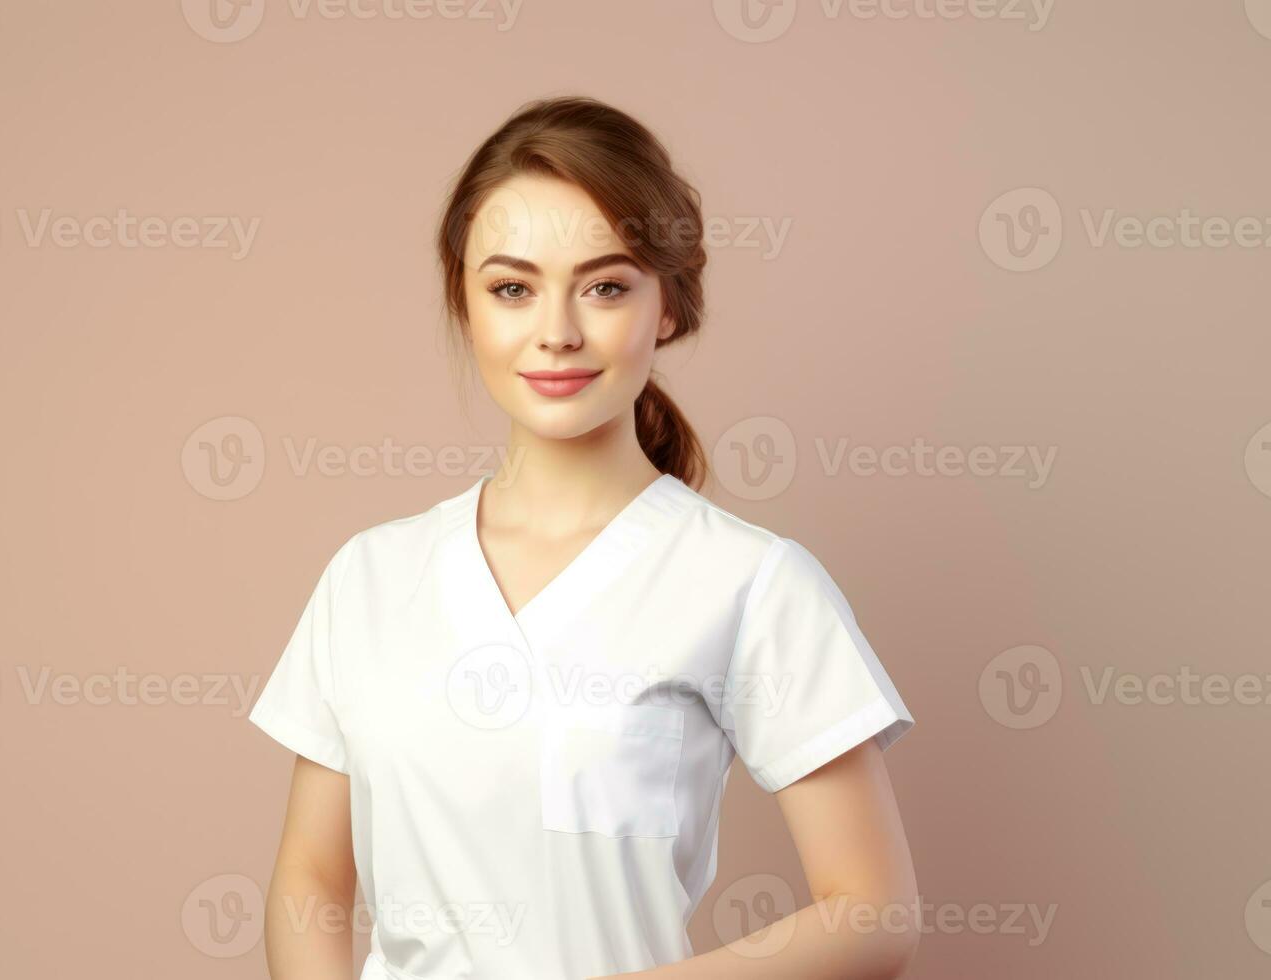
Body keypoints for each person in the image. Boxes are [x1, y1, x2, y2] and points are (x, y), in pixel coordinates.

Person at [249, 95, 920, 980]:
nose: (556, 333)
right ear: (465, 303)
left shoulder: (748, 581)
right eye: (512, 288)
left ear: (668, 308)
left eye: (605, 286)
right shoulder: (369, 577)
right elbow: (312, 882)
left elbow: (871, 916)